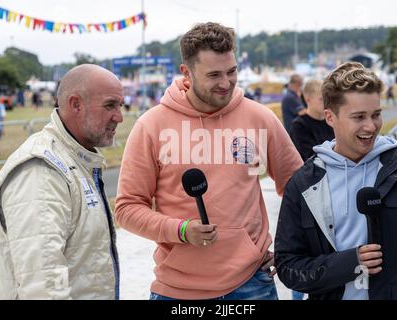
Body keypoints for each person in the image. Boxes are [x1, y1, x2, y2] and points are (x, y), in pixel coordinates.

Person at [115, 22, 303, 300]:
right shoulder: (151, 125)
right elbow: (127, 209)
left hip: (252, 284)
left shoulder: (259, 118)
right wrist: (180, 230)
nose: (226, 83)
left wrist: (291, 249)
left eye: (232, 71)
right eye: (214, 75)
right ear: (186, 73)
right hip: (177, 290)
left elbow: (297, 188)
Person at [275, 62, 397, 300]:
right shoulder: (304, 184)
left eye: (376, 114)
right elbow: (288, 267)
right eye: (359, 117)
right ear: (330, 117)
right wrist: (348, 263)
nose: (371, 126)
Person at [0, 64, 123, 300]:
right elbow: (43, 287)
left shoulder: (76, 159)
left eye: (120, 106)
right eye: (110, 105)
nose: (119, 117)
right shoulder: (42, 171)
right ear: (75, 104)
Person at [290, 79, 335, 162]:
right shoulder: (299, 126)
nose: (326, 102)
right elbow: (309, 157)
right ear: (308, 100)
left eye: (327, 98)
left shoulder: (332, 121)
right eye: (321, 99)